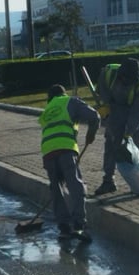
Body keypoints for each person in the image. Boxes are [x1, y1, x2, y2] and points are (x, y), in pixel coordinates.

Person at [38, 83, 99, 241]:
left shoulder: (47, 110)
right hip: (65, 149)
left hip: (48, 153)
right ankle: (79, 225)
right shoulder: (71, 101)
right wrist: (91, 135)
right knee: (75, 186)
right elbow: (94, 116)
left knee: (56, 190)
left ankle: (64, 228)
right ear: (63, 94)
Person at [94, 57, 139, 196]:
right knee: (111, 144)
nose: (128, 83)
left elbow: (136, 113)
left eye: (131, 80)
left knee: (135, 144)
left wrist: (128, 134)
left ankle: (137, 183)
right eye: (126, 79)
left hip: (133, 110)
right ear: (121, 75)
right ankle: (108, 182)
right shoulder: (107, 73)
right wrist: (105, 109)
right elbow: (102, 93)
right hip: (114, 108)